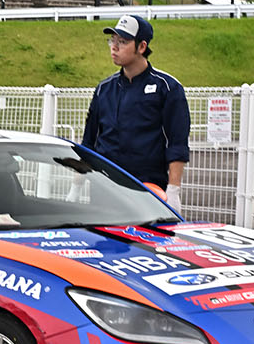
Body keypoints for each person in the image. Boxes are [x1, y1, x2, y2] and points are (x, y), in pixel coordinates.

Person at [81, 13, 190, 213]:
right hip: (103, 189)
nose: (114, 47)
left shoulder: (167, 87)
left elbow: (177, 143)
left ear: (141, 47)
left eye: (122, 41)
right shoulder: (104, 89)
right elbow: (89, 142)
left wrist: (173, 191)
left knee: (145, 244)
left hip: (147, 190)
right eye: (112, 40)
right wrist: (77, 186)